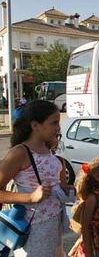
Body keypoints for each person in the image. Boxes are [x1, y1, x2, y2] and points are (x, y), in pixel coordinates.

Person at [0, 100, 66, 256]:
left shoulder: (47, 148)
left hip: (54, 223)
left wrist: (65, 190)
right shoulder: (20, 153)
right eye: (53, 123)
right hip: (34, 227)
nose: (57, 128)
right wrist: (30, 197)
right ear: (35, 125)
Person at [69, 157, 99, 257]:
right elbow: (85, 226)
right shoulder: (93, 198)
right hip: (94, 242)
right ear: (97, 177)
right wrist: (88, 252)